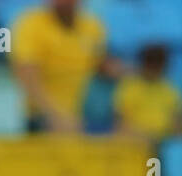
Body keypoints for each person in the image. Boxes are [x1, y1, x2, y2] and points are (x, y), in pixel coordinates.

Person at [12, 0, 119, 133]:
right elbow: (28, 76)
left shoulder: (92, 25)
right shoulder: (31, 23)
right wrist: (54, 115)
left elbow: (103, 64)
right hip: (42, 115)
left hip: (84, 114)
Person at [113, 43, 182, 143]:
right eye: (151, 64)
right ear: (143, 64)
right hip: (134, 145)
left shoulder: (169, 89)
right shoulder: (129, 88)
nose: (155, 69)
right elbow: (121, 124)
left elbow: (180, 122)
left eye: (158, 64)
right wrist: (144, 139)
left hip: (164, 144)